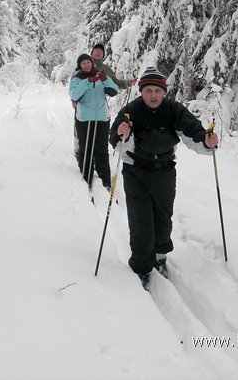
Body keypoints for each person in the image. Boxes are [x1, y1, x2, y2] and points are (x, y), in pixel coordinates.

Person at [110, 67, 219, 289]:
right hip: (135, 170)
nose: (153, 95)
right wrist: (124, 134)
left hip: (164, 170)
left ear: (164, 91)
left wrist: (206, 141)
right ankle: (141, 267)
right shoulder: (131, 111)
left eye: (157, 90)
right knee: (140, 219)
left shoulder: (173, 110)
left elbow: (193, 132)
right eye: (148, 90)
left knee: (163, 215)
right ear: (141, 92)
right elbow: (117, 142)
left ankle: (160, 255)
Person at [70, 53, 120, 190]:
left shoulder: (100, 76)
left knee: (102, 149)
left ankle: (105, 180)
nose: (86, 65)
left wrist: (105, 80)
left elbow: (114, 91)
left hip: (101, 118)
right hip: (84, 119)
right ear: (80, 65)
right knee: (86, 149)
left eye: (88, 62)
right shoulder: (77, 79)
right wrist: (87, 82)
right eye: (83, 63)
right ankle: (87, 177)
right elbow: (74, 95)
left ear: (92, 63)